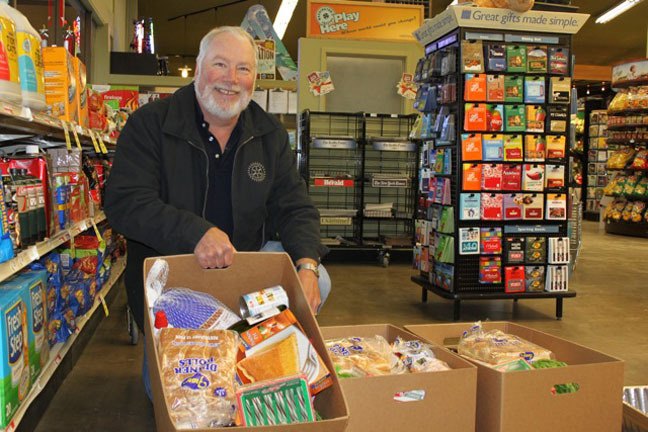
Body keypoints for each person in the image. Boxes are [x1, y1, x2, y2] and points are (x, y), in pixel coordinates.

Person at [104, 26, 330, 395]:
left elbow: (295, 205)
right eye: (220, 64)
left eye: (243, 69)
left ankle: (254, 352)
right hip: (175, 287)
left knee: (318, 279)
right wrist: (194, 233)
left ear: (254, 79)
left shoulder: (268, 134)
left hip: (243, 283)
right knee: (174, 396)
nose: (231, 79)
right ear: (198, 68)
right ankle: (211, 353)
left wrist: (307, 264)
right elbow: (125, 201)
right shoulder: (150, 125)